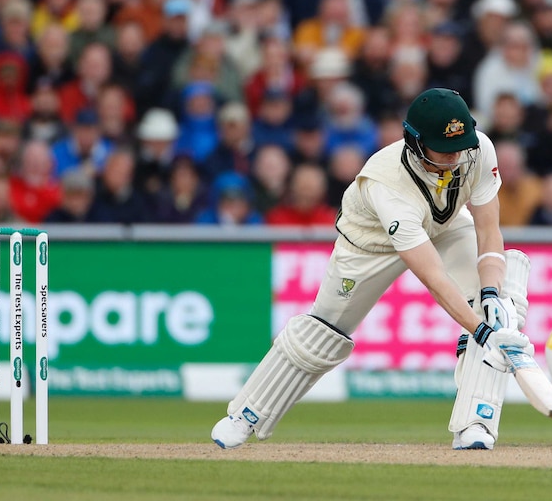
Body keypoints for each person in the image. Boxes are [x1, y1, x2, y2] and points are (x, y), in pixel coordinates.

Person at [211, 88, 533, 451]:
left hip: (444, 224)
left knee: (501, 302)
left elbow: (488, 229)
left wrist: (489, 296)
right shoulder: (387, 185)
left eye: (461, 145)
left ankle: (475, 424)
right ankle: (244, 416)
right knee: (321, 335)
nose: (456, 156)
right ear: (416, 144)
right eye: (445, 149)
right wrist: (482, 332)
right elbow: (433, 278)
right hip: (370, 244)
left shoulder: (477, 149)